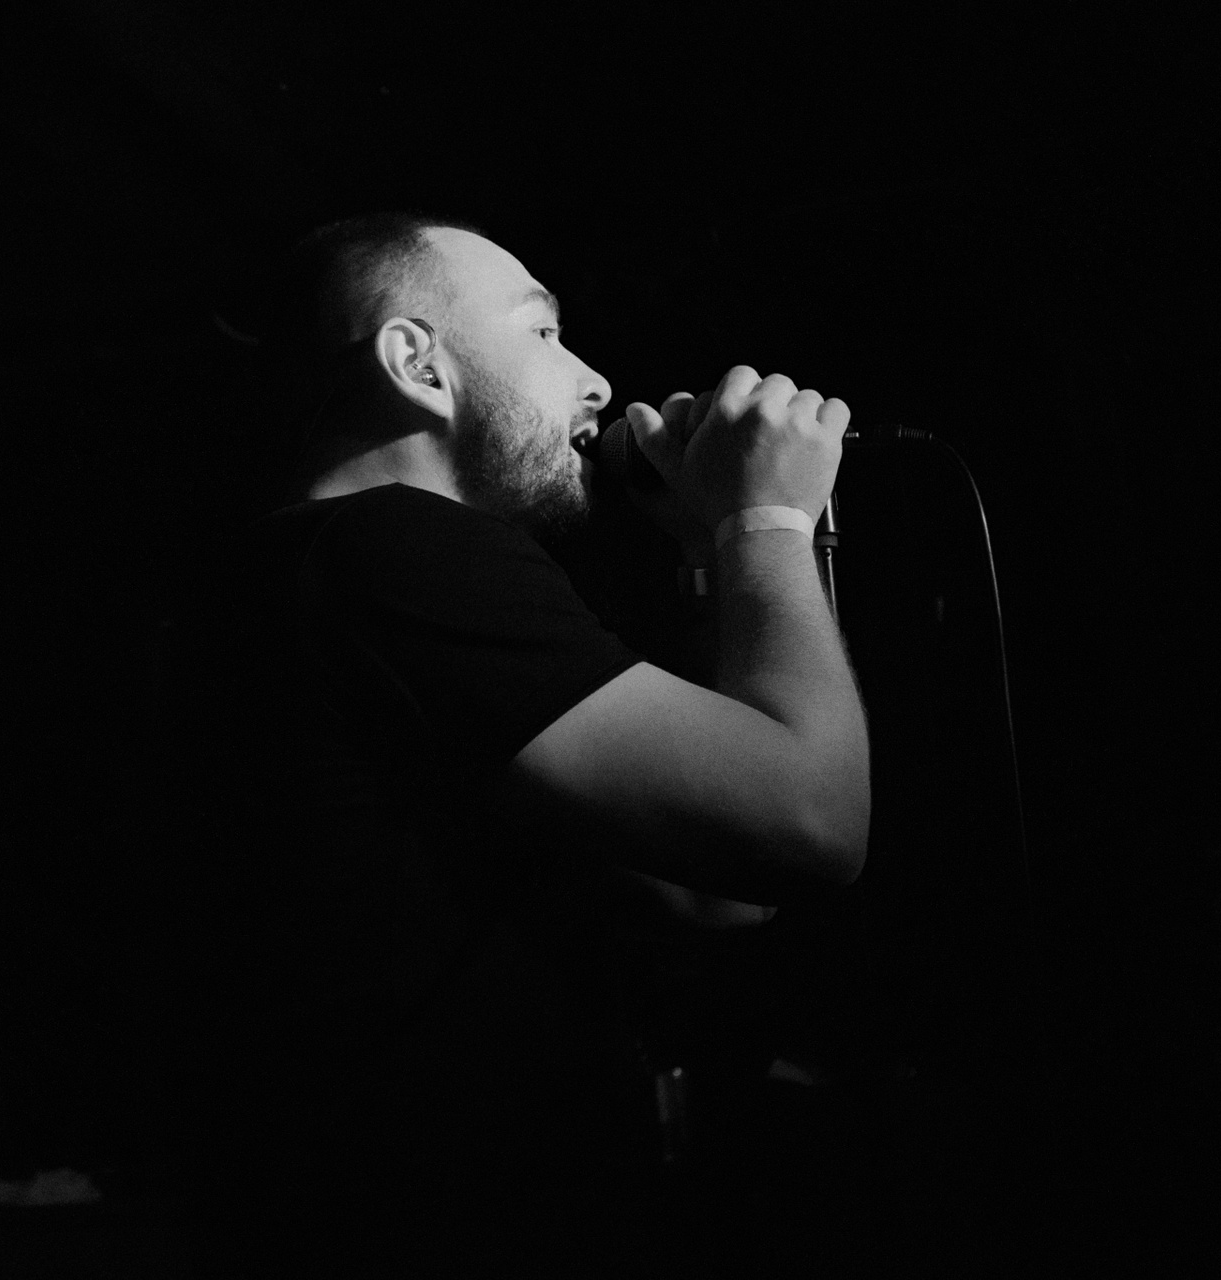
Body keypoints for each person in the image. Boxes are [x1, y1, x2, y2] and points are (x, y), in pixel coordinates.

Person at [167, 212, 869, 1275]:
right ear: (417, 363)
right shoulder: (390, 547)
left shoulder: (326, 577)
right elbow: (809, 819)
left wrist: (709, 554)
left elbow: (717, 885)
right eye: (542, 332)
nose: (595, 381)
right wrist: (766, 521)